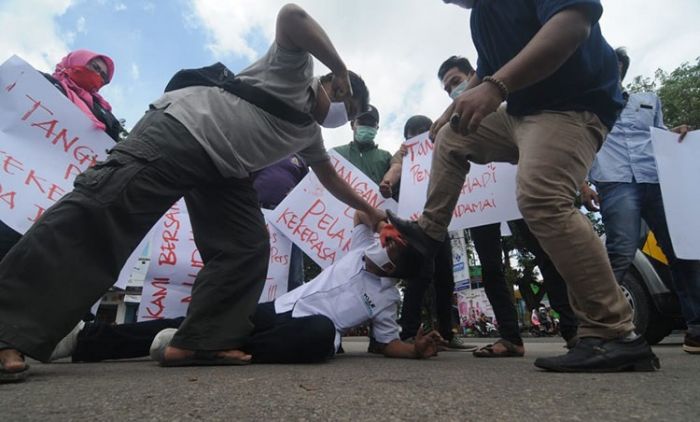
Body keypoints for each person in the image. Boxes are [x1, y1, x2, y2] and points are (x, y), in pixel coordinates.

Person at [0, 4, 384, 383]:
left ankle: (202, 340)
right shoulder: (295, 70)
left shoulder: (308, 134)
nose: (342, 117)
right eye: (345, 103)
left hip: (226, 172)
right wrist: (339, 64)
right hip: (182, 131)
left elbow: (332, 180)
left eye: (348, 117)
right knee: (104, 210)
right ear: (333, 84)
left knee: (246, 247)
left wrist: (372, 210)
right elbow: (291, 17)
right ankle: (8, 328)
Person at [386, 0, 659, 372]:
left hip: (572, 107)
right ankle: (427, 237)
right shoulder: (482, 17)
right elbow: (486, 72)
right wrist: (453, 109)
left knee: (541, 198)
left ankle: (615, 333)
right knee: (453, 137)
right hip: (521, 115)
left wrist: (496, 87)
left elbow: (572, 23)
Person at [53, 210, 440, 364]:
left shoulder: (387, 299)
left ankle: (207, 350)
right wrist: (381, 220)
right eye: (388, 236)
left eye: (393, 245)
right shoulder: (361, 246)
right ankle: (89, 341)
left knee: (323, 336)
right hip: (276, 310)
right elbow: (360, 213)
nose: (384, 243)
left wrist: (416, 350)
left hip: (306, 333)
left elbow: (389, 343)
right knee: (194, 319)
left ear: (397, 271)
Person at [581, 47, 699, 355]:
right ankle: (600, 327)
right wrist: (581, 183)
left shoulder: (648, 100)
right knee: (620, 251)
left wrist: (677, 135)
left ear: (621, 70)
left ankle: (697, 328)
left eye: (616, 66)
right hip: (615, 181)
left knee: (681, 250)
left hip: (656, 179)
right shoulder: (586, 105)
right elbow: (580, 145)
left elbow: (659, 136)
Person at [0, 49, 123, 262]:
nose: (98, 77)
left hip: (48, 200)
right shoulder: (39, 82)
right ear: (76, 61)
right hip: (11, 180)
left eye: (104, 76)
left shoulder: (105, 116)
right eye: (95, 67)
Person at [381, 115, 476, 352]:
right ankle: (410, 332)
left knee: (445, 277)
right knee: (418, 277)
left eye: (422, 130)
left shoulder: (446, 144)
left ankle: (448, 332)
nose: (417, 135)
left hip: (440, 223)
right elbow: (396, 168)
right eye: (412, 132)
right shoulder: (405, 153)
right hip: (415, 227)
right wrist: (387, 182)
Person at [331, 104, 394, 353]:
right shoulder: (334, 154)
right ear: (352, 125)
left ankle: (380, 337)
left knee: (377, 279)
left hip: (373, 230)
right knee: (337, 278)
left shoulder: (385, 158)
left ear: (377, 128)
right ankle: (334, 334)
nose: (366, 127)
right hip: (335, 227)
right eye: (362, 122)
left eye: (371, 124)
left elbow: (396, 192)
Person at [252, 154, 309, 291]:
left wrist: (296, 195)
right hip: (259, 213)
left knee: (292, 265)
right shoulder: (257, 152)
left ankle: (291, 299)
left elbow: (308, 187)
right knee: (256, 260)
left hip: (288, 217)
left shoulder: (299, 158)